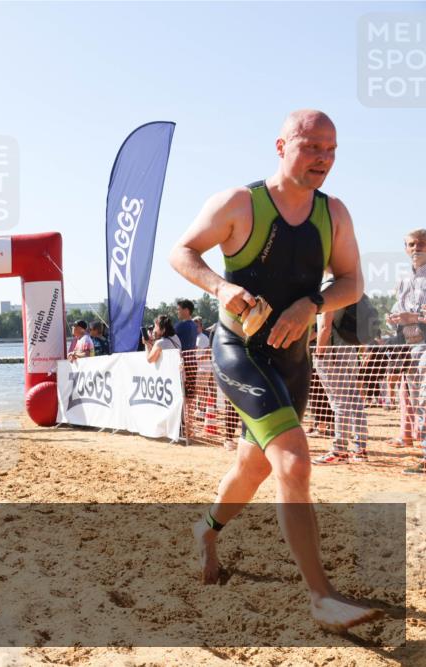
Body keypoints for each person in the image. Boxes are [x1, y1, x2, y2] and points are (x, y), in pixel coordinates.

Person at [169, 109, 380, 631]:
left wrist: (312, 303)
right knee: (294, 463)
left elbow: (351, 282)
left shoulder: (334, 215)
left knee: (255, 467)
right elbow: (182, 251)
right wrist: (222, 288)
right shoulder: (239, 203)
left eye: (331, 150)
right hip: (240, 353)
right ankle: (321, 596)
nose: (323, 160)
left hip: (293, 361)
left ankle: (207, 529)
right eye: (312, 147)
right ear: (281, 145)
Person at [311, 277, 370, 464]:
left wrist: (319, 354)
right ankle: (360, 448)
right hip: (349, 350)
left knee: (339, 402)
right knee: (354, 400)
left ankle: (339, 450)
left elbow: (325, 325)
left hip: (332, 352)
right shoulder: (350, 286)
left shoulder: (329, 288)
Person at [384, 230, 426, 456]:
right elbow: (397, 308)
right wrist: (392, 318)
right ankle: (412, 436)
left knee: (423, 394)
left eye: (421, 244)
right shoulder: (402, 279)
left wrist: (417, 318)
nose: (416, 248)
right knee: (409, 392)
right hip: (407, 343)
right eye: (411, 244)